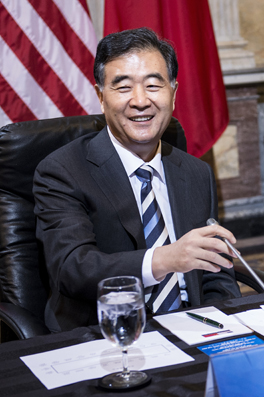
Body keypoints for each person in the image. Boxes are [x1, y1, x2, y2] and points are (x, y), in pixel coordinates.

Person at [33, 27, 241, 332]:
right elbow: (73, 268)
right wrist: (164, 259)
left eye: (154, 85)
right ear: (101, 97)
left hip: (192, 328)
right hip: (105, 333)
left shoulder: (196, 172)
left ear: (173, 93)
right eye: (123, 87)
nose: (140, 101)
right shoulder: (63, 171)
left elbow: (215, 274)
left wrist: (220, 328)